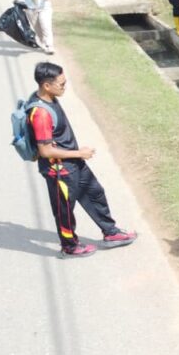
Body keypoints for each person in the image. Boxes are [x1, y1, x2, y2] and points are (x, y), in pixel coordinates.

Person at [26, 62, 137, 258]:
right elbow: (45, 151)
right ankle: (69, 247)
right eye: (61, 84)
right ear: (46, 85)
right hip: (60, 170)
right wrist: (79, 153)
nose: (64, 87)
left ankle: (110, 233)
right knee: (65, 211)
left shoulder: (50, 97)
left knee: (95, 193)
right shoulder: (41, 114)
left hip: (74, 164)